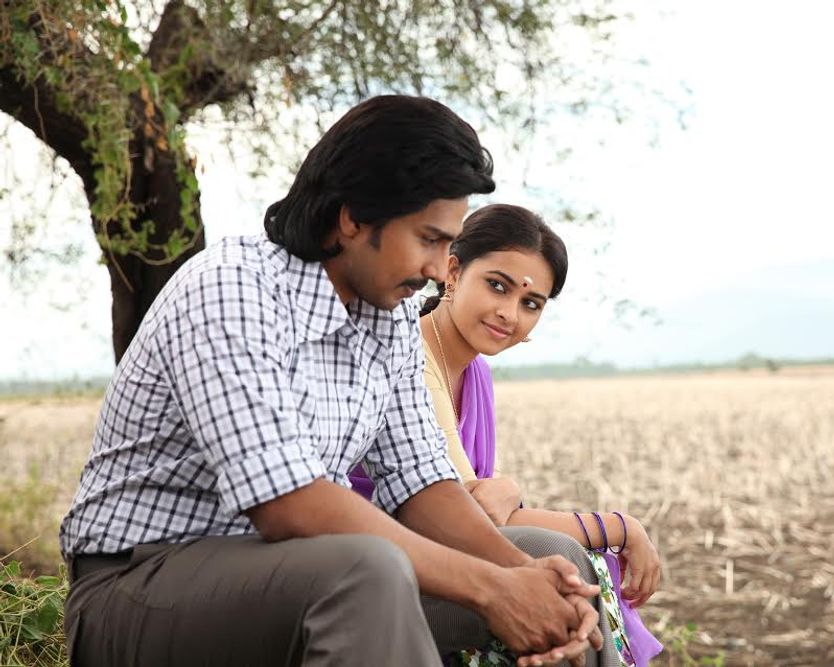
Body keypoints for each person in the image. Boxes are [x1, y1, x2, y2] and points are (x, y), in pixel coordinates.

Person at [59, 96, 613, 667]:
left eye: (448, 244)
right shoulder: (233, 288)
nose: (436, 268)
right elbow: (287, 504)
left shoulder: (389, 315)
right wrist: (492, 588)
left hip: (299, 577)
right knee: (366, 570)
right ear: (353, 219)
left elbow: (421, 481)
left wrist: (522, 575)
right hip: (140, 586)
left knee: (551, 559)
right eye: (428, 239)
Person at [350, 204, 665, 666]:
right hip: (383, 569)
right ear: (452, 272)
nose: (508, 314)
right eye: (497, 286)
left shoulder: (475, 373)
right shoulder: (411, 356)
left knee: (563, 569)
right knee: (562, 559)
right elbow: (468, 516)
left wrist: (506, 491)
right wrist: (618, 527)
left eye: (530, 303)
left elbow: (487, 507)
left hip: (444, 564)